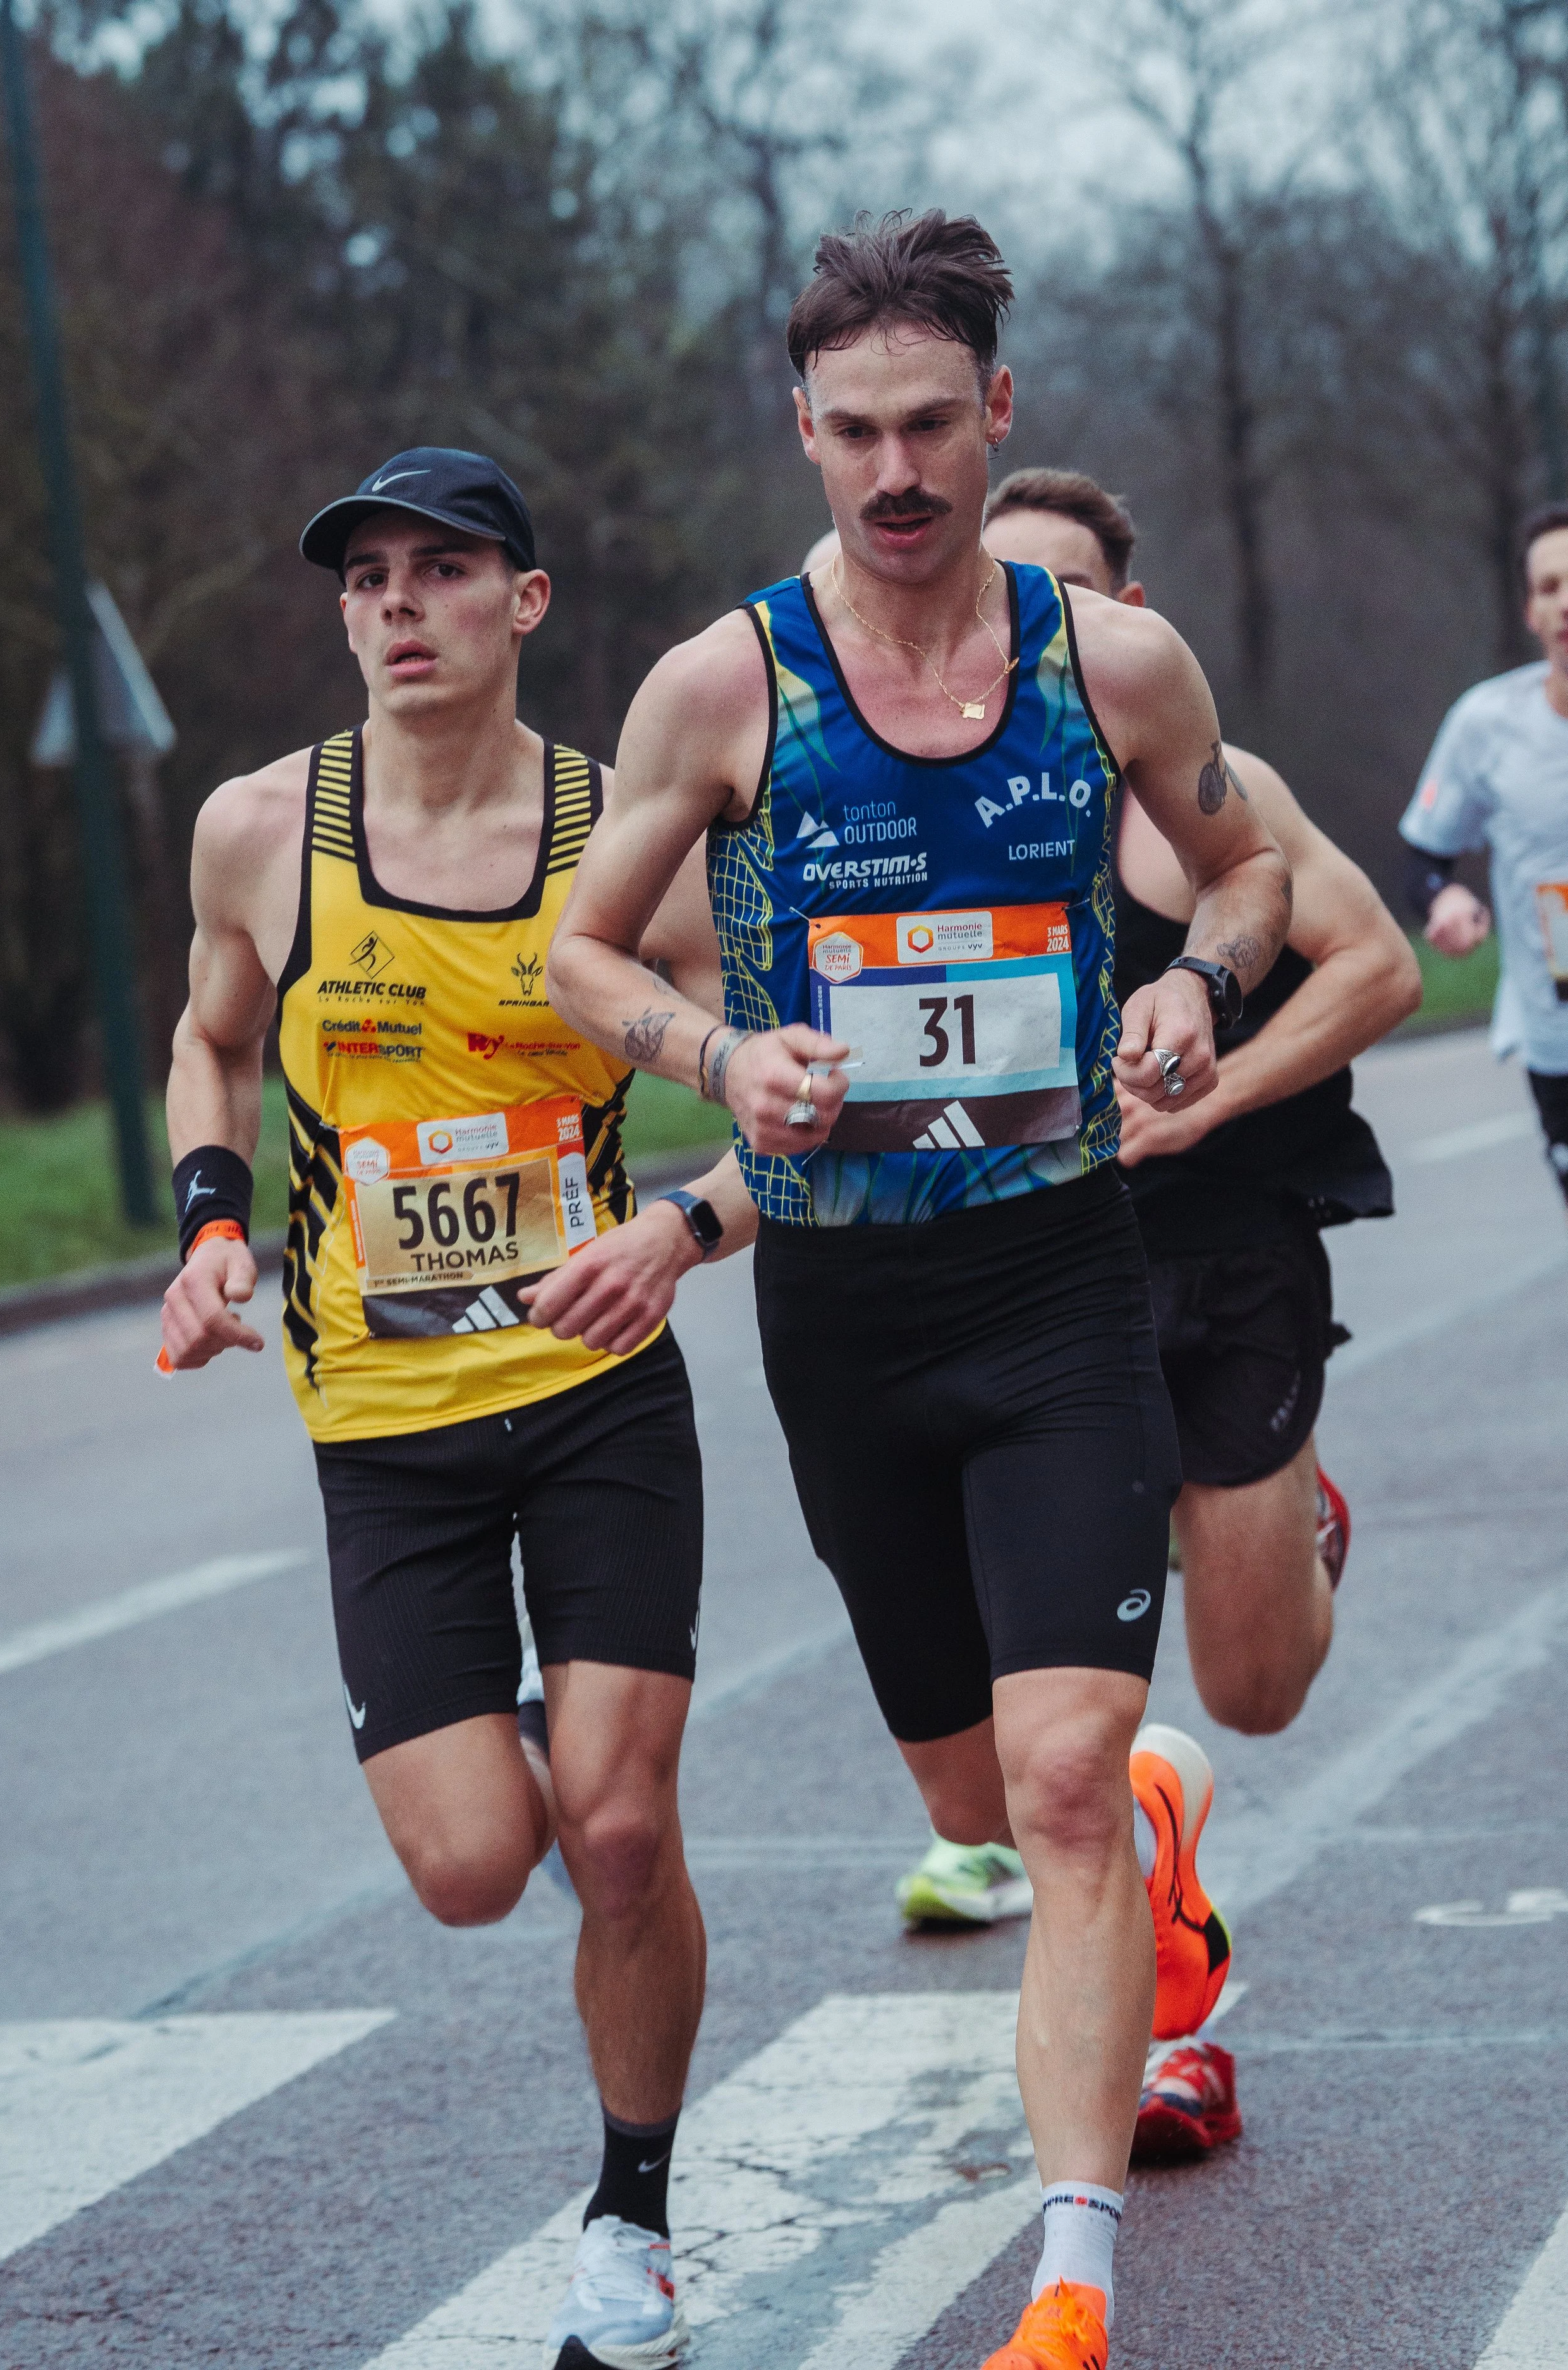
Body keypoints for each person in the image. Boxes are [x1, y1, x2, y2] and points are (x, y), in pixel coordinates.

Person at [545, 211, 1292, 2370]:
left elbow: (1237, 866)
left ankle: (1071, 2279)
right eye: (853, 430)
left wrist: (1193, 997)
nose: (894, 469)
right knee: (980, 1799)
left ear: (1000, 417)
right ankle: (1155, 1813)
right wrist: (719, 1057)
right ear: (802, 431)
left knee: (1050, 1794)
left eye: (932, 426)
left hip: (1062, 1275)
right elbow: (584, 954)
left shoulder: (1110, 665)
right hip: (851, 1315)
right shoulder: (726, 684)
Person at [157, 447, 750, 2370]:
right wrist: (209, 1220)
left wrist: (678, 1223)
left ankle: (631, 2224)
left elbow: (775, 1082)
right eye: (368, 578)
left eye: (443, 568)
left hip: (593, 1394)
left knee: (625, 1827)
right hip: (385, 1427)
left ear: (526, 600)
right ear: (343, 614)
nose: (398, 604)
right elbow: (213, 1035)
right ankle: (532, 1740)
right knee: (477, 1861)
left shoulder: (619, 833)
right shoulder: (260, 828)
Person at [901, 466, 1419, 2157]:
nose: (1038, 631)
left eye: (1073, 598)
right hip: (1041, 1282)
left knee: (1255, 1685)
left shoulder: (1203, 793)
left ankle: (1290, 1515)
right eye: (1008, 597)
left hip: (1235, 1252)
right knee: (1055, 1737)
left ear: (1127, 616)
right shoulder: (916, 810)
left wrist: (1212, 1092)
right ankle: (1168, 2000)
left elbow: (1378, 965)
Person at [1401, 501, 1568, 1205]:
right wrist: (1446, 898)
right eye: (1550, 586)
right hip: (1556, 1037)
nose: (1566, 602)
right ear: (1531, 612)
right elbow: (1423, 858)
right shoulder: (1485, 724)